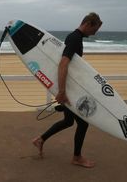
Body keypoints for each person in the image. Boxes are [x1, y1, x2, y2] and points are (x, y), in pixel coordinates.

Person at [32, 12, 102, 168]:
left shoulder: (75, 37)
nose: (95, 32)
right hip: (68, 91)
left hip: (70, 89)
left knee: (68, 121)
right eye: (95, 29)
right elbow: (63, 63)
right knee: (83, 124)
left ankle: (40, 140)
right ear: (88, 24)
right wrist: (62, 92)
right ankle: (77, 157)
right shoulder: (75, 38)